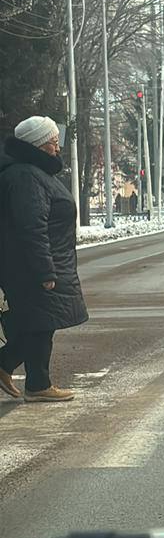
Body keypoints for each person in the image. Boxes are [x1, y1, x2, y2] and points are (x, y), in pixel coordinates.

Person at [0, 116, 88, 402]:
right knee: (39, 324)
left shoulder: (34, 173)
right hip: (31, 266)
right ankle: (32, 381)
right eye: (52, 142)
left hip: (43, 261)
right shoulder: (26, 176)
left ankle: (36, 382)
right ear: (38, 144)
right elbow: (31, 226)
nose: (57, 148)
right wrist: (44, 271)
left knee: (40, 323)